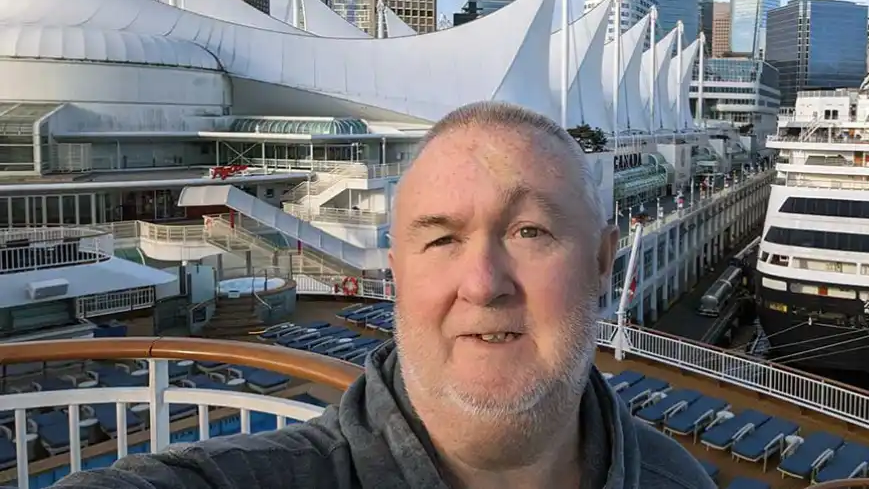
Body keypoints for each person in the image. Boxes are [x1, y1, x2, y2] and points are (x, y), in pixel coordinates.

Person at [47, 102, 716, 489]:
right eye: (441, 240)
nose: (483, 283)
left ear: (603, 262)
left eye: (529, 230)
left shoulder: (680, 481)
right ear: (395, 272)